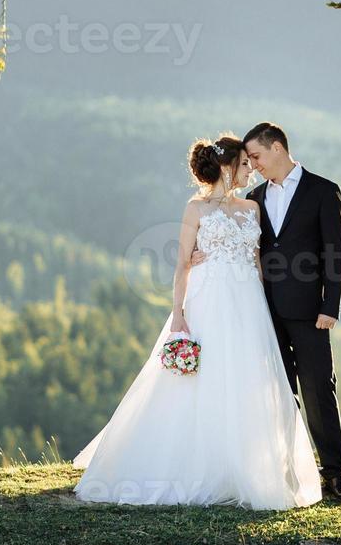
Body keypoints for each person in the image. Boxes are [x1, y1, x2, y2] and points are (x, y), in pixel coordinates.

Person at [71, 135, 324, 509]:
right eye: (243, 164)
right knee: (198, 380)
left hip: (248, 303)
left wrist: (268, 308)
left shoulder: (251, 208)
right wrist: (179, 314)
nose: (249, 169)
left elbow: (256, 260)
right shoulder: (196, 209)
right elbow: (183, 265)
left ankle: (248, 467)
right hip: (209, 300)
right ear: (226, 167)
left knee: (246, 379)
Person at [190, 122, 341, 503]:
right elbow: (237, 240)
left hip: (310, 311)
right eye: (249, 160)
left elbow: (336, 253)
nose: (254, 165)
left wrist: (331, 305)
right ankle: (284, 467)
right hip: (261, 310)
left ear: (277, 147)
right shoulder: (256, 198)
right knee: (274, 391)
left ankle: (334, 471)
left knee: (318, 389)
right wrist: (199, 255)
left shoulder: (323, 191)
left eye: (257, 157)